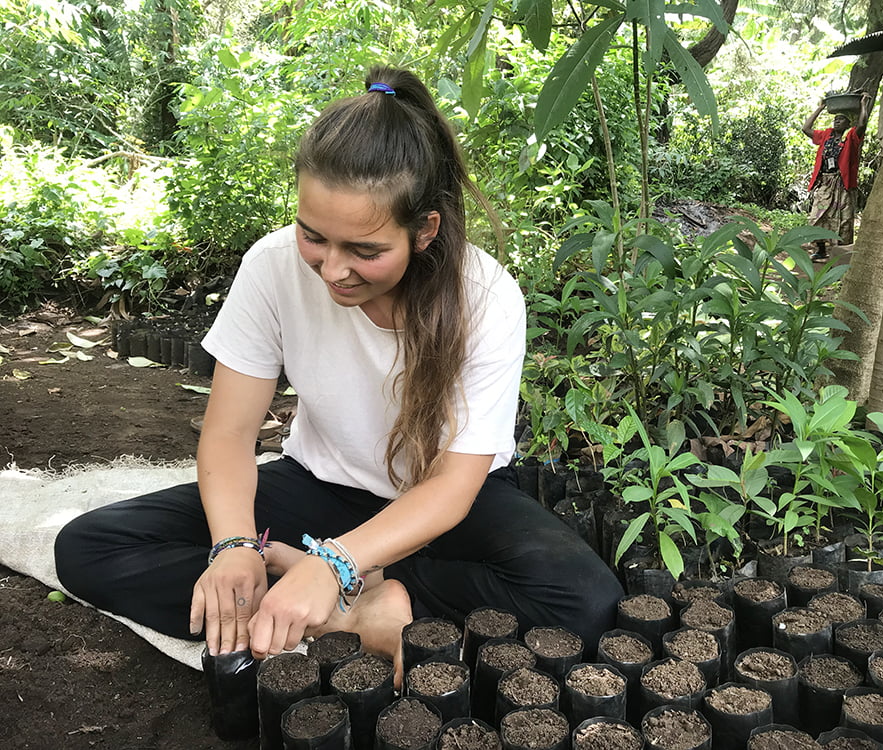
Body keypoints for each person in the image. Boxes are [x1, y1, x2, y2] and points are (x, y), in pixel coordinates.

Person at [54, 66, 624, 686]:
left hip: (439, 511)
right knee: (90, 547)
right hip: (320, 490)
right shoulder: (272, 267)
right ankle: (347, 620)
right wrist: (234, 547)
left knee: (584, 601)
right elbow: (227, 434)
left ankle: (359, 589)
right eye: (314, 237)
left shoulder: (484, 297)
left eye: (366, 251)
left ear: (425, 230)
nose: (332, 271)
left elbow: (454, 489)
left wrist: (335, 567)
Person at [801, 91, 872, 261]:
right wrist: (821, 108)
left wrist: (863, 105)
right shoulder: (826, 135)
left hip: (843, 184)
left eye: (841, 119)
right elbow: (806, 128)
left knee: (844, 220)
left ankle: (841, 255)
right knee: (817, 217)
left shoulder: (851, 136)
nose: (836, 121)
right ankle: (820, 250)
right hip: (826, 182)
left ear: (848, 123)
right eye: (835, 118)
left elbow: (862, 124)